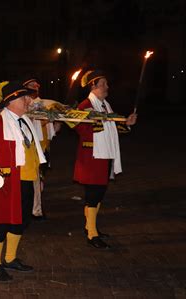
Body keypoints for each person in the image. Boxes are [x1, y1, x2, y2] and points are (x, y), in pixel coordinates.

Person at [0, 81, 46, 281]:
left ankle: (10, 258)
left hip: (27, 179)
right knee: (1, 224)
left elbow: (32, 151)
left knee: (21, 221)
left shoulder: (26, 120)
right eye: (24, 97)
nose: (28, 100)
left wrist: (38, 175)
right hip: (7, 183)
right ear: (10, 100)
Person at [74, 70, 137, 249]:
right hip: (92, 157)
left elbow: (113, 128)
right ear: (93, 86)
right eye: (103, 84)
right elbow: (80, 128)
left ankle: (90, 227)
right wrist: (97, 122)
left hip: (105, 155)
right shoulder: (85, 106)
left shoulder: (105, 105)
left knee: (99, 193)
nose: (107, 87)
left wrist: (126, 123)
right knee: (93, 195)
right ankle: (92, 234)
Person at [23, 78, 61, 221]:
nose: (35, 88)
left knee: (40, 180)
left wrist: (56, 121)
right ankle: (36, 210)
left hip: (44, 147)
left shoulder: (46, 104)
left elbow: (53, 129)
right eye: (31, 86)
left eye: (36, 86)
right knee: (35, 179)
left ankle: (35, 206)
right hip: (32, 148)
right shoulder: (25, 105)